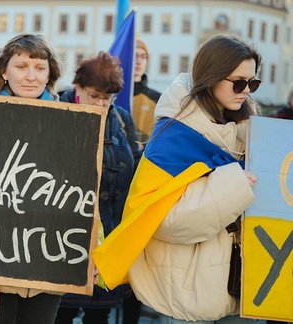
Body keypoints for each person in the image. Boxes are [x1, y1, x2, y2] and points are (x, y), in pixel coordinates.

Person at [94, 34, 261, 323]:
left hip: (241, 287)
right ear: (210, 77)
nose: (246, 91)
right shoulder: (175, 136)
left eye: (252, 83)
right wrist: (235, 186)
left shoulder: (250, 135)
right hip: (187, 293)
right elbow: (164, 220)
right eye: (238, 82)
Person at [0, 33, 63, 324]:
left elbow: (83, 192)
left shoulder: (72, 124)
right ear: (4, 71)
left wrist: (90, 248)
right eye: (21, 67)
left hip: (47, 261)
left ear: (49, 74)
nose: (31, 76)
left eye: (39, 67)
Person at [54, 52, 142, 324]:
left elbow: (136, 171)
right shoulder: (56, 114)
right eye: (94, 96)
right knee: (60, 313)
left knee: (99, 316)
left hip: (109, 240)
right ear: (77, 87)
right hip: (64, 242)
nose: (102, 104)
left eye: (108, 98)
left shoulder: (123, 121)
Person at [132, 39, 161, 145]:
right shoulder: (112, 97)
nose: (138, 61)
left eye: (143, 57)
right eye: (134, 56)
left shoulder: (157, 99)